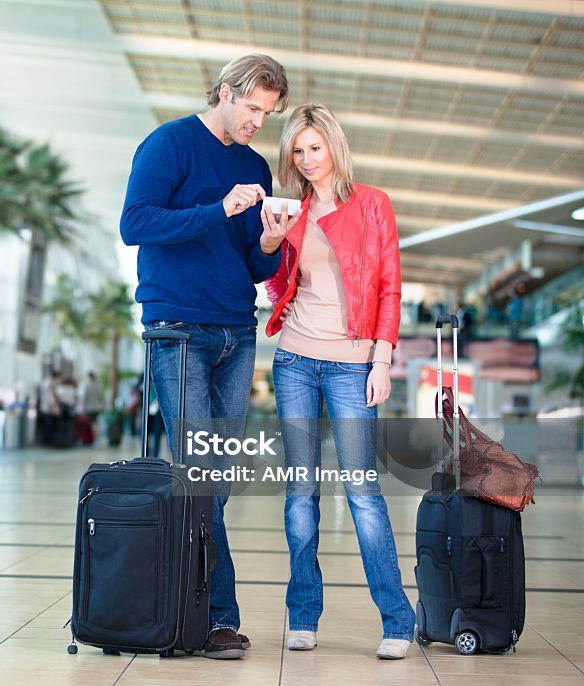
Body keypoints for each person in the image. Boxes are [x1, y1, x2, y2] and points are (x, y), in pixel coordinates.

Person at [120, 53, 291, 660]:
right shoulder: (169, 144)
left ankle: (182, 604)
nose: (257, 123)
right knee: (197, 476)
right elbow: (135, 223)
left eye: (267, 114)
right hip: (178, 329)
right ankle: (215, 616)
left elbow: (255, 264)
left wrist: (268, 238)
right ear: (225, 92)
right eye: (251, 108)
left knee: (215, 481)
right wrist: (219, 209)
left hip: (236, 334)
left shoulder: (254, 165)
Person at [264, 104, 415, 660]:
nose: (305, 160)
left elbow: (389, 285)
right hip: (295, 360)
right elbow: (276, 286)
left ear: (334, 146)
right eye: (296, 151)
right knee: (301, 494)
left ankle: (398, 620)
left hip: (354, 364)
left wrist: (381, 360)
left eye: (314, 148)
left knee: (363, 494)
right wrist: (269, 244)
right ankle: (303, 615)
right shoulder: (289, 210)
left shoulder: (372, 205)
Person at [79, 372, 104, 443]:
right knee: (96, 423)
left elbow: (84, 398)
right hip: (98, 407)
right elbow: (102, 398)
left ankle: (95, 440)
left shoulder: (87, 386)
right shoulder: (99, 386)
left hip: (89, 408)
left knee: (92, 424)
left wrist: (82, 409)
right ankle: (96, 440)